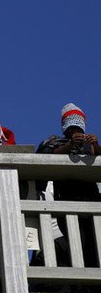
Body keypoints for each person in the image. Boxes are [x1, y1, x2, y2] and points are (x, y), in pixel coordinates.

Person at [37, 103, 101, 267]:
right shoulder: (55, 143)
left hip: (92, 200)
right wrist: (70, 146)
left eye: (78, 129)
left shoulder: (90, 146)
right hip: (66, 201)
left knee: (94, 244)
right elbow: (45, 156)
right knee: (75, 241)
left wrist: (95, 146)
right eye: (71, 128)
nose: (75, 132)